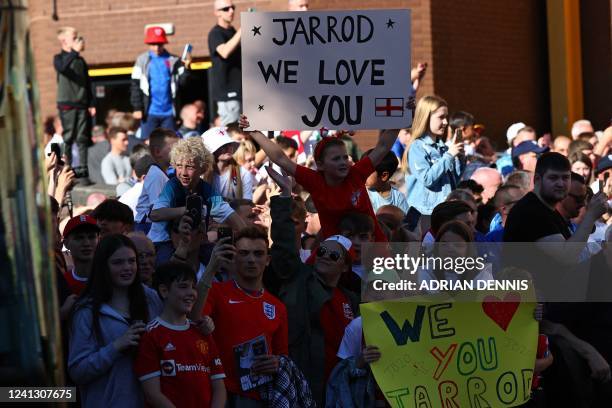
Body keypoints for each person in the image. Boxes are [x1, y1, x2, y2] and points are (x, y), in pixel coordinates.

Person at [267, 167, 357, 405]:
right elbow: (284, 247)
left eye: (334, 256)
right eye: (323, 251)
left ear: (346, 267)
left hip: (340, 390)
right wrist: (285, 196)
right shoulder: (299, 278)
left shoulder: (351, 300)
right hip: (303, 386)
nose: (325, 256)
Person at [240, 116, 396, 242]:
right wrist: (254, 132)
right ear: (320, 165)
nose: (343, 162)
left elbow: (383, 146)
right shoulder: (315, 181)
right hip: (335, 257)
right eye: (335, 159)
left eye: (344, 157)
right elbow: (281, 158)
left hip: (373, 250)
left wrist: (402, 117)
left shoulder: (356, 173)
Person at [193, 226, 288, 407]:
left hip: (258, 397)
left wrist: (276, 363)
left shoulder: (278, 307)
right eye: (243, 253)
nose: (251, 259)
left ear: (268, 260)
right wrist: (212, 267)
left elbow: (282, 356)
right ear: (234, 257)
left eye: (258, 254)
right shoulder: (215, 292)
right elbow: (194, 317)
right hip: (216, 391)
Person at [68, 234, 161, 407]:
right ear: (103, 266)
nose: (127, 267)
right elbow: (78, 371)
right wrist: (116, 347)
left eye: (131, 261)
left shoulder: (152, 299)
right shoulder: (86, 310)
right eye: (118, 262)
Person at [134, 262, 227, 408]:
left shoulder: (203, 332)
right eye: (183, 287)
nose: (191, 293)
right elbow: (152, 394)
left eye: (193, 287)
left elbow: (219, 386)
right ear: (164, 291)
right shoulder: (151, 335)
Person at [148, 136, 244, 263]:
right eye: (179, 166)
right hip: (163, 242)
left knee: (221, 261)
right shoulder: (172, 186)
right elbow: (155, 214)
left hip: (195, 244)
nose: (183, 172)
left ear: (202, 168)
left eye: (190, 167)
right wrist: (187, 210)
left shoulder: (207, 191)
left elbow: (237, 222)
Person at [404, 96, 465, 229]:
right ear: (426, 117)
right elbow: (427, 179)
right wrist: (449, 155)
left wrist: (459, 156)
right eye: (441, 117)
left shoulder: (442, 148)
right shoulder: (417, 147)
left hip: (443, 212)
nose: (445, 122)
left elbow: (455, 179)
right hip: (424, 214)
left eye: (446, 117)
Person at [130, 26, 192, 139]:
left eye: (160, 44)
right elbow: (135, 85)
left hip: (169, 112)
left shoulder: (173, 60)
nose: (157, 47)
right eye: (153, 44)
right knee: (147, 143)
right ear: (148, 44)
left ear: (164, 43)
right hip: (149, 112)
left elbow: (183, 83)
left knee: (171, 143)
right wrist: (137, 108)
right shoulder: (142, 60)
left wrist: (187, 67)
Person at [54, 27, 95, 182]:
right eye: (74, 37)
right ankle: (67, 173)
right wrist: (74, 52)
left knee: (82, 138)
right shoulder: (59, 58)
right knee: (68, 138)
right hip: (67, 104)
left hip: (82, 104)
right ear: (64, 40)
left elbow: (88, 82)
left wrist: (91, 103)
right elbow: (62, 68)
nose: (78, 40)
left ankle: (83, 174)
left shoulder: (80, 60)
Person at [134, 128, 179, 233]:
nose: (179, 152)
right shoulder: (156, 175)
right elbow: (157, 212)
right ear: (157, 151)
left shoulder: (162, 173)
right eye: (174, 149)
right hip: (146, 228)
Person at [208, 0, 242, 126]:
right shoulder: (215, 33)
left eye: (233, 7)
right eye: (226, 9)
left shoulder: (232, 31)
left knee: (243, 135)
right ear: (217, 13)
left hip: (239, 92)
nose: (231, 11)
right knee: (232, 136)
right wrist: (243, 29)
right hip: (228, 95)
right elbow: (224, 52)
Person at [202, 127, 253, 200]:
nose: (228, 147)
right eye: (223, 145)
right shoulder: (202, 174)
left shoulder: (243, 174)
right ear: (212, 150)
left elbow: (247, 204)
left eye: (229, 144)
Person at [62, 215, 100, 295]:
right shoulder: (62, 283)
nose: (86, 243)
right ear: (66, 243)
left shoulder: (111, 278)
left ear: (98, 240)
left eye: (91, 237)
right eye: (79, 238)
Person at [365, 149, 409, 214]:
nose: (363, 174)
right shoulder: (363, 193)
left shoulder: (398, 198)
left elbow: (405, 222)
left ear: (384, 176)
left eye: (368, 172)